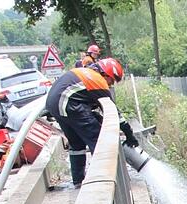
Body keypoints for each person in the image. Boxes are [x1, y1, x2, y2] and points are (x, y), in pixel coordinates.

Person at [45, 58, 139, 186]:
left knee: (76, 143)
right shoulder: (98, 81)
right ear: (106, 74)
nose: (110, 85)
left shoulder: (85, 72)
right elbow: (115, 113)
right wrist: (129, 134)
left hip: (54, 105)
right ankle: (105, 179)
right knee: (99, 140)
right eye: (111, 81)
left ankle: (78, 181)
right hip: (68, 104)